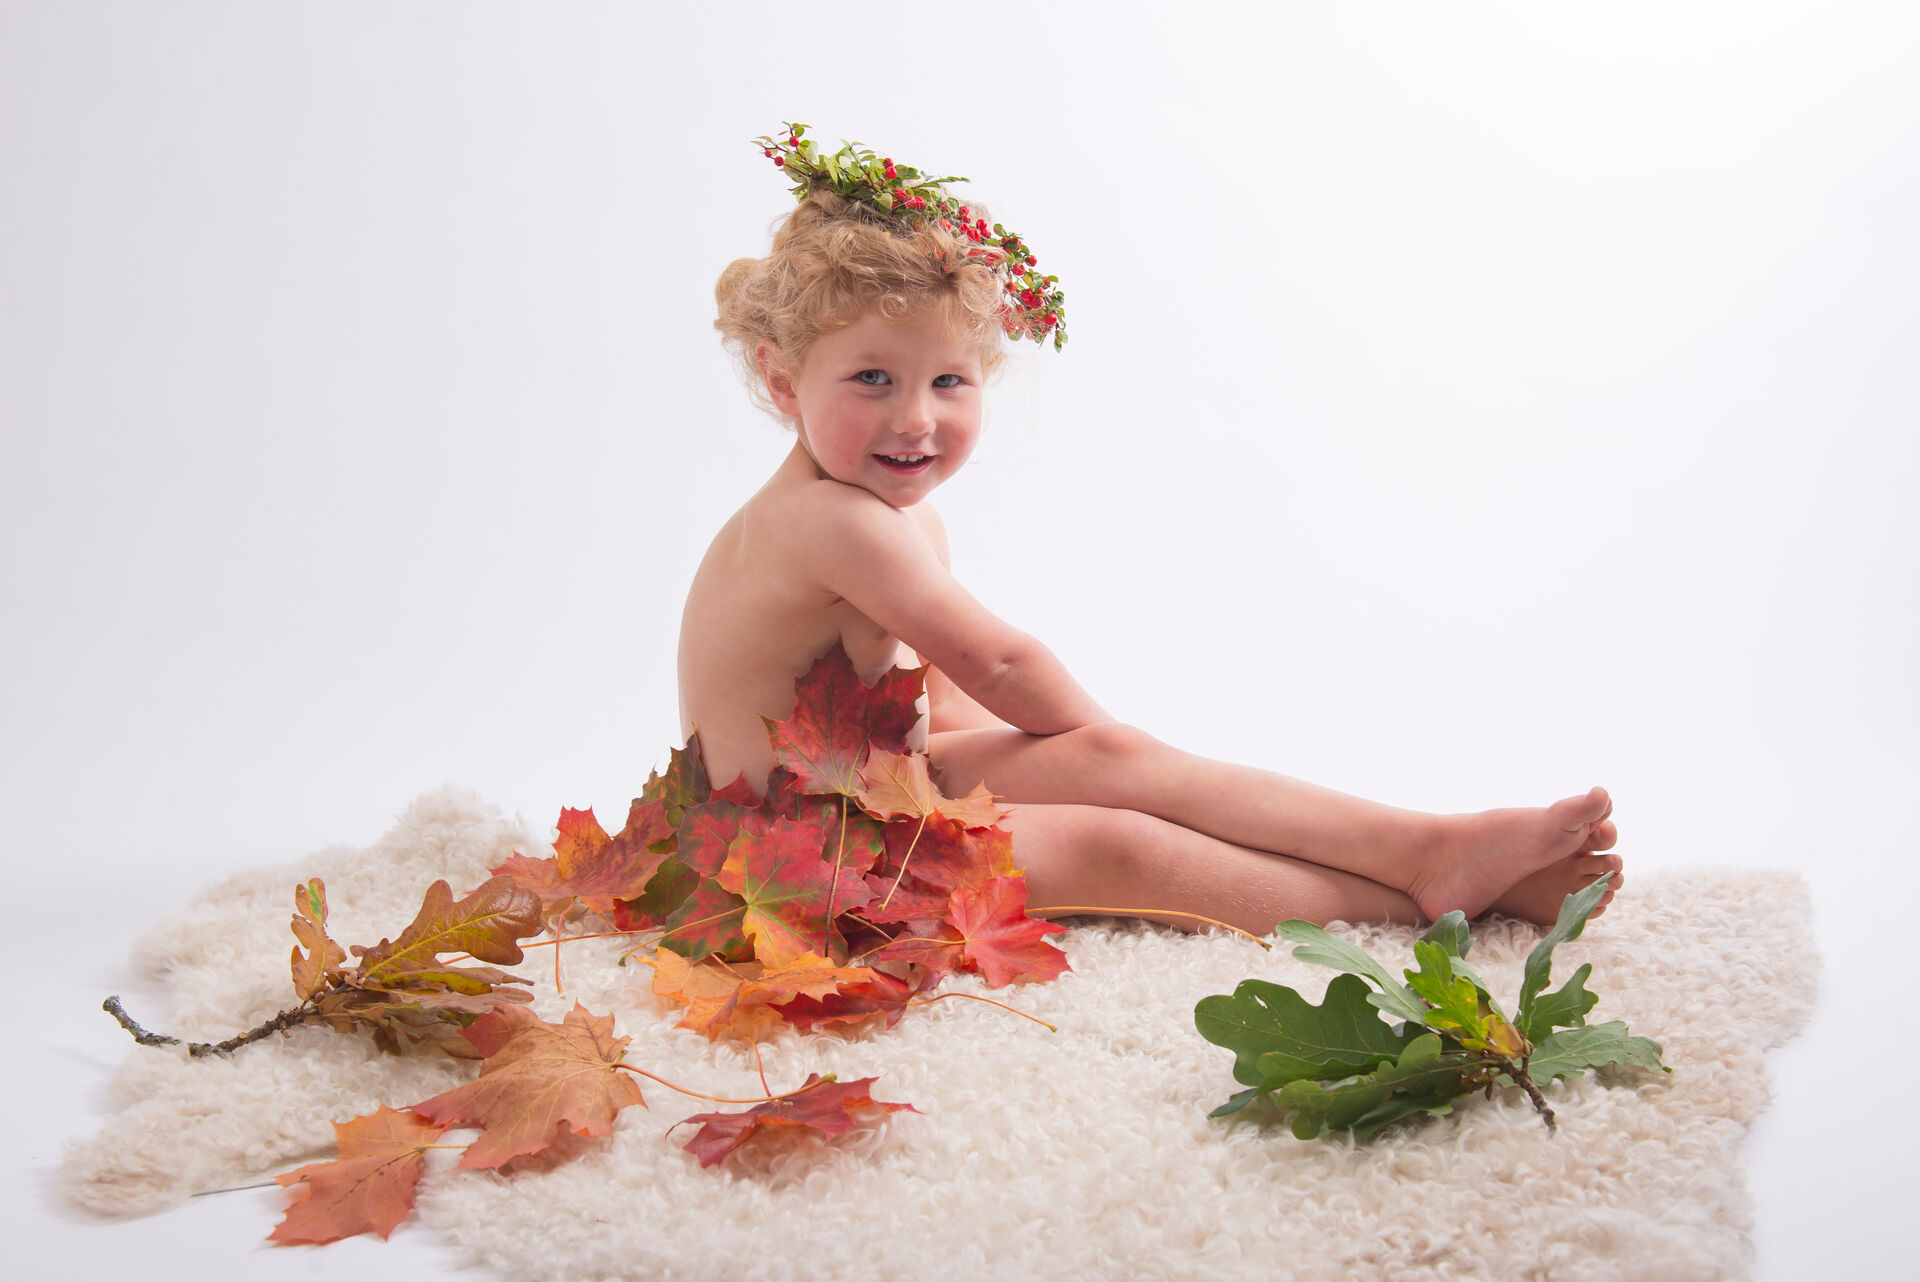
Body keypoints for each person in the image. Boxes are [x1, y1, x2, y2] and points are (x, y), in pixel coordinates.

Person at [678, 124, 1621, 938]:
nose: (916, 418)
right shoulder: (831, 522)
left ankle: (1426, 846)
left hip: (876, 787)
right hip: (795, 858)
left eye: (948, 382)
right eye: (872, 380)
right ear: (782, 381)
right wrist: (1108, 756)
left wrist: (1100, 764)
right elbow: (1000, 667)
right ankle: (1412, 901)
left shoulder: (897, 517)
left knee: (1113, 768)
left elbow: (941, 703)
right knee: (1115, 842)